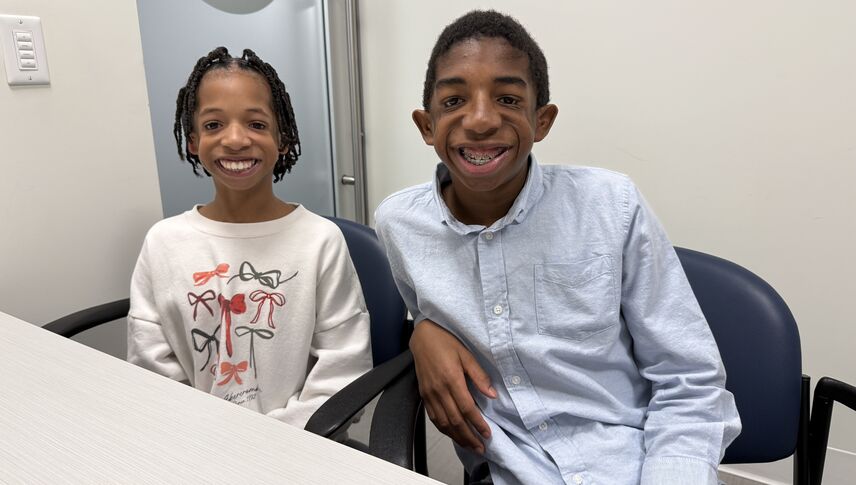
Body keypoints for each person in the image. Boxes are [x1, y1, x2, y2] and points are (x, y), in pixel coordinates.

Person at [374, 10, 741, 485]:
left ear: (541, 119)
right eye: (454, 100)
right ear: (427, 126)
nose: (481, 119)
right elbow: (423, 303)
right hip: (510, 468)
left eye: (507, 98)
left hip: (632, 462)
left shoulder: (611, 205)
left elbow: (688, 380)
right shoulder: (399, 224)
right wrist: (423, 329)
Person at [127, 47, 372, 429]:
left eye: (256, 124)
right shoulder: (164, 243)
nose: (236, 140)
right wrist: (202, 434)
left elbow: (344, 369)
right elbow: (149, 366)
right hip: (190, 441)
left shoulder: (320, 241)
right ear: (192, 141)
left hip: (299, 445)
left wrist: (271, 441)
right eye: (213, 125)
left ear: (283, 139)